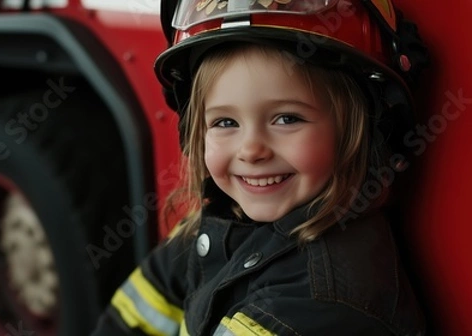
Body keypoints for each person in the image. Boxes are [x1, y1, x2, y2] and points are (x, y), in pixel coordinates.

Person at [92, 0, 429, 335]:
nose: (252, 150)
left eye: (286, 118)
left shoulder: (321, 304)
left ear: (357, 131)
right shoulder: (210, 229)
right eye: (225, 122)